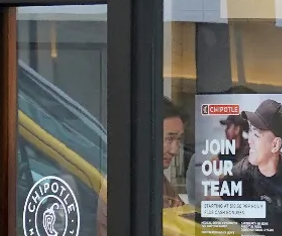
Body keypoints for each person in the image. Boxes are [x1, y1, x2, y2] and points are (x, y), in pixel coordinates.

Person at [96, 97, 186, 236]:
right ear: (147, 135)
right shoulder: (128, 181)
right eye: (169, 139)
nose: (174, 150)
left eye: (178, 140)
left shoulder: (152, 176)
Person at [222, 99, 282, 236]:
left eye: (256, 135)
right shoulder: (238, 174)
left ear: (275, 145)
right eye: (250, 131)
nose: (249, 140)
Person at [187, 111, 249, 201]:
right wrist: (206, 165)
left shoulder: (248, 149)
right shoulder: (227, 149)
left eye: (228, 127)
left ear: (237, 129)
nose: (225, 130)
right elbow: (213, 161)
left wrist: (227, 176)